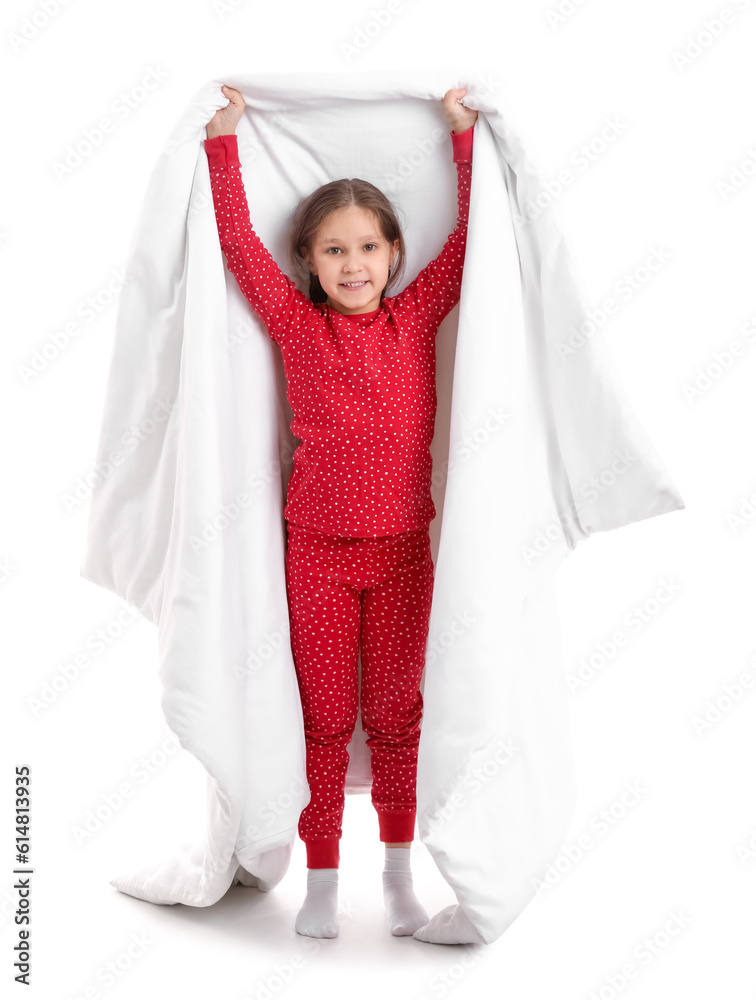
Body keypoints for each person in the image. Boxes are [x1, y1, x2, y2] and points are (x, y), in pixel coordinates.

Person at [204, 84, 476, 939]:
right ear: (311, 264)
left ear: (394, 253)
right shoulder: (296, 325)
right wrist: (224, 146)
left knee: (397, 720)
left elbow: (475, 245)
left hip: (402, 556)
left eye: (367, 246)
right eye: (333, 250)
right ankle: (321, 880)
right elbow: (241, 249)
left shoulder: (420, 313)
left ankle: (397, 878)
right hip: (316, 556)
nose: (352, 263)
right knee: (324, 722)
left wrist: (463, 141)